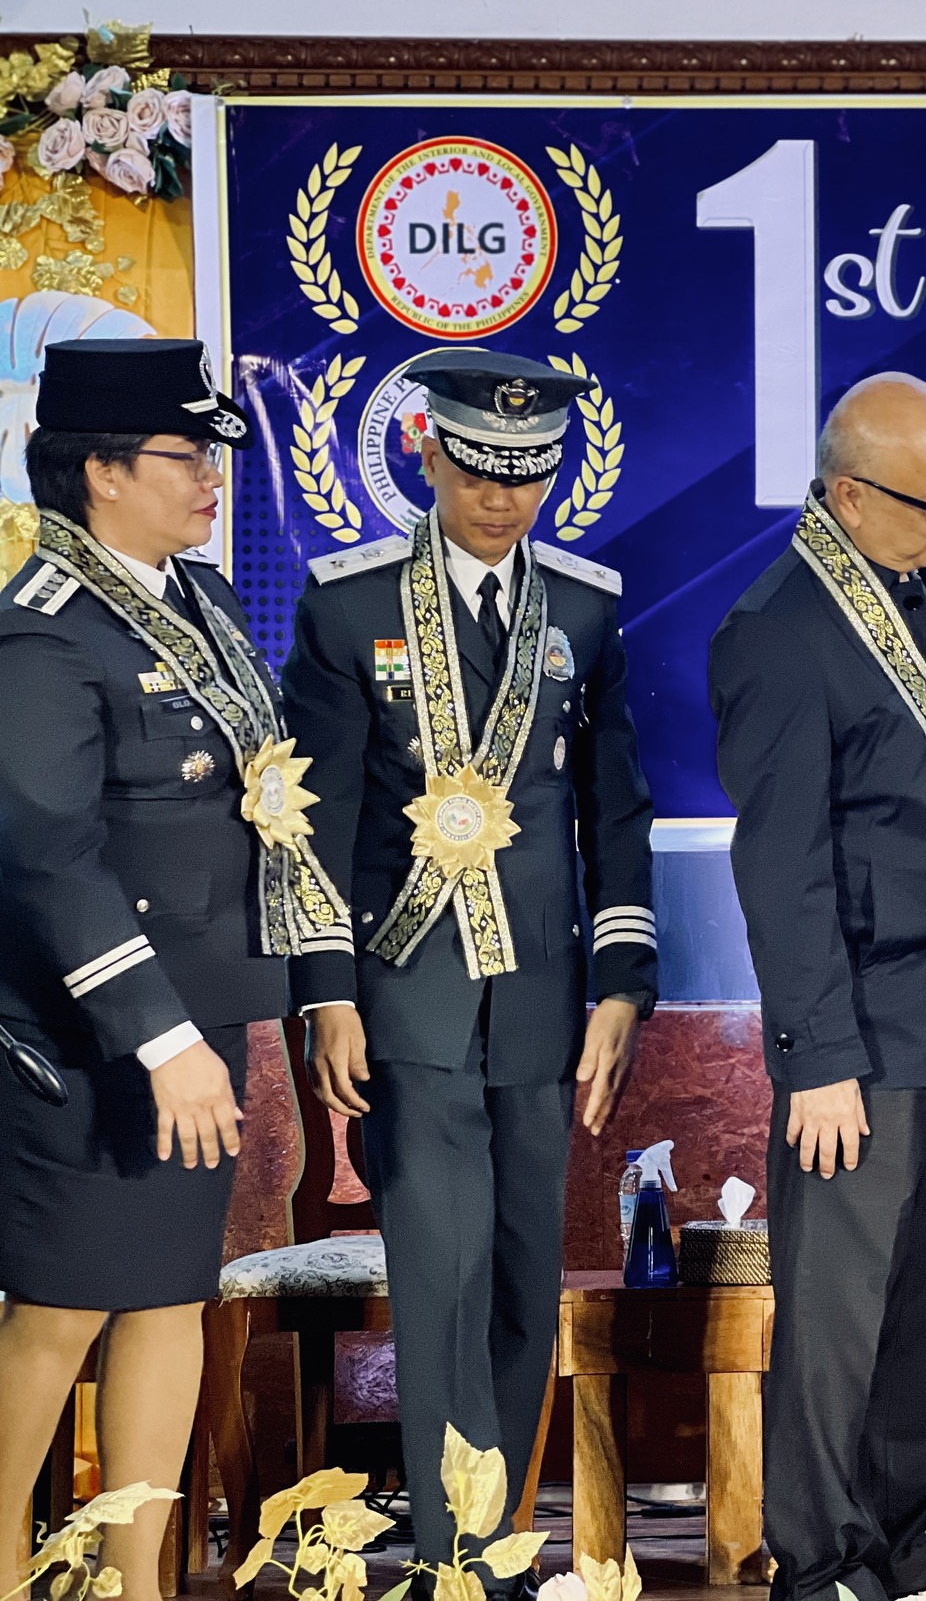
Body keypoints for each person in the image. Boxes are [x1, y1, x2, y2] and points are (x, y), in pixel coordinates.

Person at [281, 351, 656, 1587]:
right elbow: (318, 820)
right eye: (482, 470)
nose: (504, 499)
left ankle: (491, 1532)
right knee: (435, 1269)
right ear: (428, 453)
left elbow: (616, 812)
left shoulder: (588, 609)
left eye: (529, 473)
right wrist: (327, 990)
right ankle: (458, 1557)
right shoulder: (347, 605)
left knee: (520, 1275)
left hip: (545, 1000)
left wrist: (619, 986)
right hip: (407, 994)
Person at [0, 340, 348, 1600]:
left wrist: (309, 986)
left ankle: (133, 1576)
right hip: (94, 1039)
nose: (211, 480)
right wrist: (158, 1035)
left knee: (163, 1297)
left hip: (192, 1024)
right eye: (184, 456)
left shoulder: (188, 600)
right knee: (60, 1311)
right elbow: (51, 850)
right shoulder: (44, 630)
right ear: (98, 470)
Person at [709, 374, 926, 1601]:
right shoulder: (778, 630)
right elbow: (782, 864)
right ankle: (821, 1554)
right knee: (838, 1321)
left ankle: (899, 1533)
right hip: (863, 1035)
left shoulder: (920, 583)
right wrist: (817, 1056)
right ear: (847, 494)